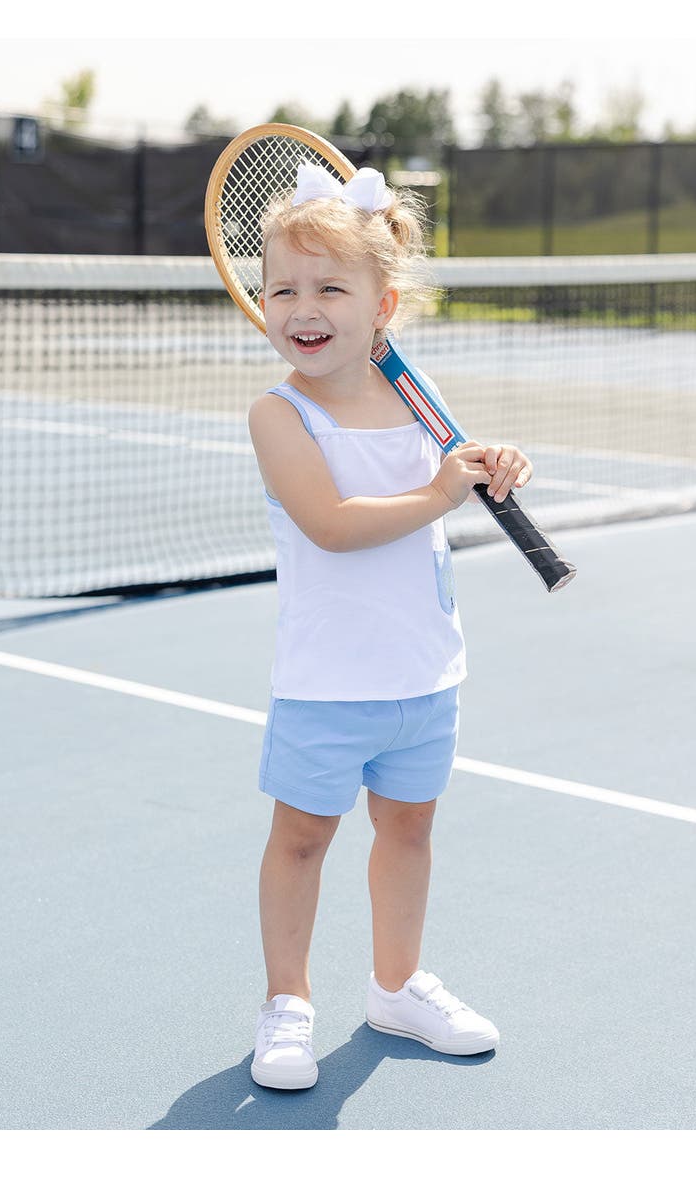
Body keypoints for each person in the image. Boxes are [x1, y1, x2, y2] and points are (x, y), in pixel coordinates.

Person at [247, 163, 532, 1090]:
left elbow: (457, 468)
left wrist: (488, 463)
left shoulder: (414, 392)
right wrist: (442, 488)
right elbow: (332, 528)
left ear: (384, 304)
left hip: (424, 676)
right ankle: (287, 1006)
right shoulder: (278, 413)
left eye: (331, 285)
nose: (303, 305)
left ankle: (398, 986)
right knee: (301, 841)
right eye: (283, 287)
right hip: (327, 685)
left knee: (408, 833)